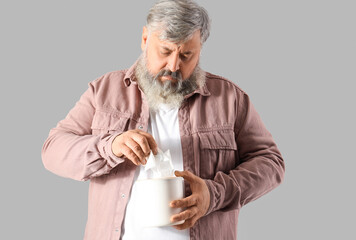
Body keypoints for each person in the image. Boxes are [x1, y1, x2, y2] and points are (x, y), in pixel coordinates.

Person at [42, 0, 285, 239]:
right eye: (165, 51)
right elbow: (53, 150)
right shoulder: (104, 91)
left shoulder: (229, 98)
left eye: (187, 55)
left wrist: (214, 194)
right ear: (145, 39)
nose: (174, 66)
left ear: (200, 49)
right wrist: (110, 146)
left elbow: (271, 163)